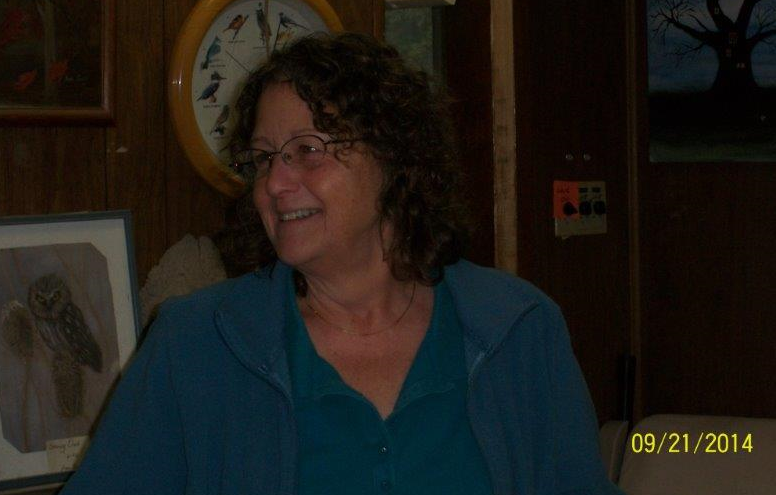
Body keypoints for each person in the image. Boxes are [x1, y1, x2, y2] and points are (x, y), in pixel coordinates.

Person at [61, 33, 622, 494]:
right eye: (264, 159)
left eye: (307, 150)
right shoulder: (195, 344)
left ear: (393, 157)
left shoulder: (517, 329)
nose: (275, 183)